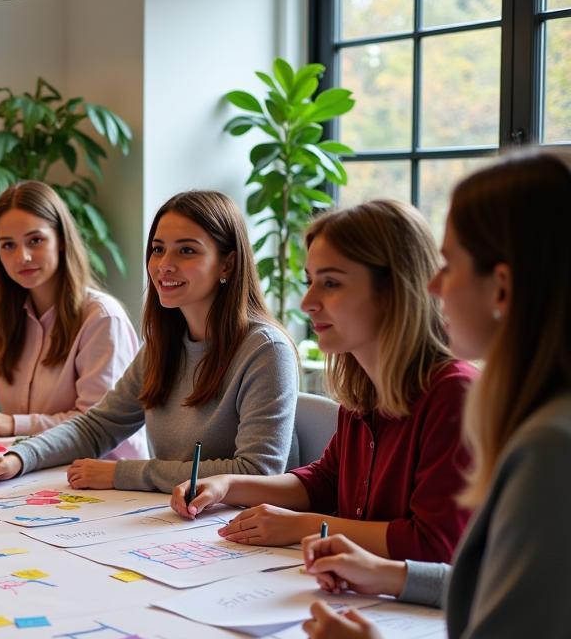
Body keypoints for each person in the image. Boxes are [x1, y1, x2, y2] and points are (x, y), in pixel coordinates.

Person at [298, 152, 571, 639]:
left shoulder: (549, 449)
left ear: (504, 288)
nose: (437, 286)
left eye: (449, 265)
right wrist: (393, 577)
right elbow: (523, 596)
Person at [173, 199, 475, 563]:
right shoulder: (364, 390)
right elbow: (325, 482)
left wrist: (305, 526)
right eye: (310, 281)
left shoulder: (454, 394)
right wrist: (229, 485)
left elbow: (434, 544)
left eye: (330, 283)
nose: (308, 302)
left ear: (394, 290)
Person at [0, 189, 298, 493]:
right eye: (158, 249)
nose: (165, 265)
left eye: (186, 250)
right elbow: (96, 427)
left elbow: (257, 472)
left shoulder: (266, 350)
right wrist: (18, 458)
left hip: (235, 532)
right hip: (173, 520)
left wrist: (122, 474)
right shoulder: (163, 344)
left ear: (228, 262)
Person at [0, 180, 147, 458]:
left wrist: (15, 424)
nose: (21, 257)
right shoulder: (3, 316)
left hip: (104, 477)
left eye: (35, 240)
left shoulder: (102, 318)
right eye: (8, 245)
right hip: (33, 468)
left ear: (61, 240)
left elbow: (96, 423)